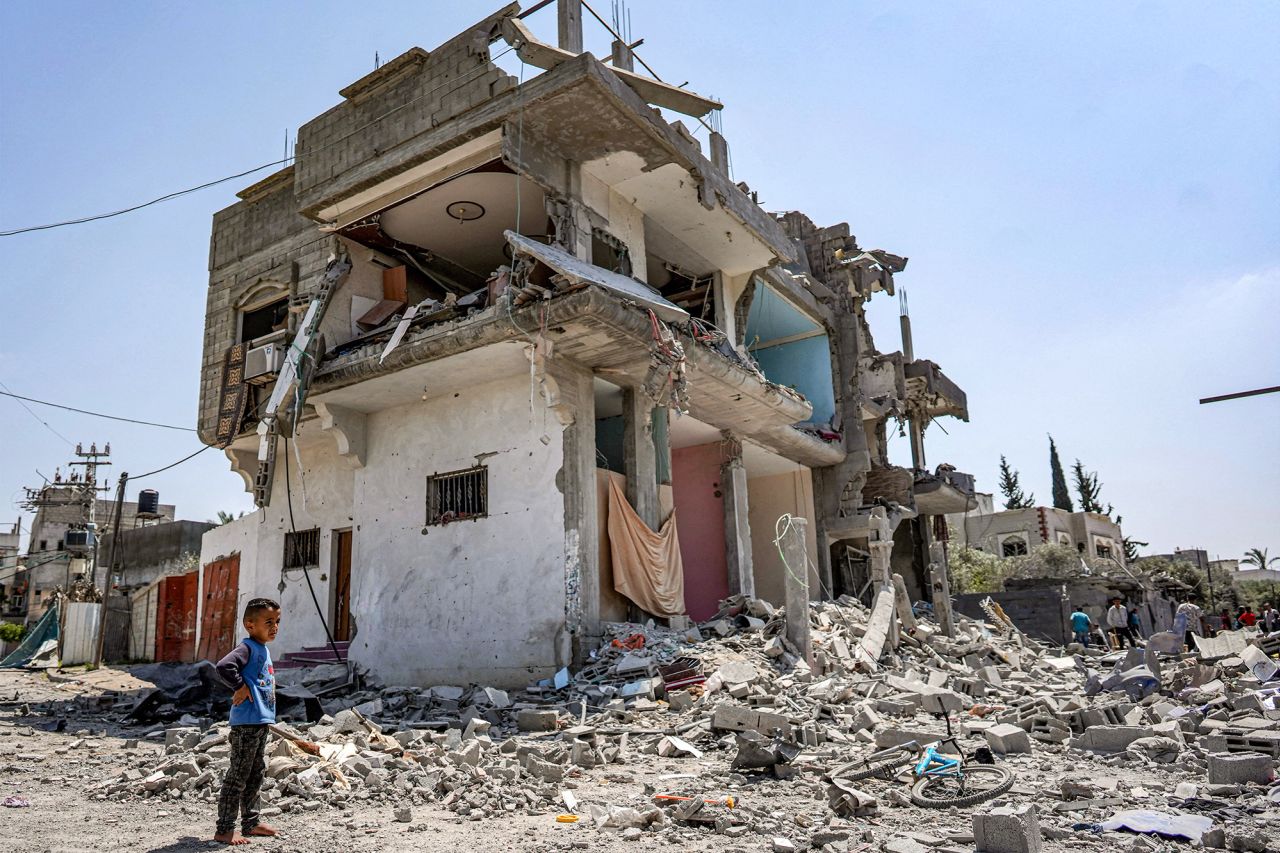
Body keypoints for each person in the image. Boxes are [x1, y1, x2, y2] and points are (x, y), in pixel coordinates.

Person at [213, 598, 281, 845]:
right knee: (239, 774)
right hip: (246, 724)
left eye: (277, 622)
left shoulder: (263, 648)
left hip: (260, 722)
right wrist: (240, 686)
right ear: (250, 625)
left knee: (255, 773)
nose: (274, 627)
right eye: (269, 622)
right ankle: (225, 828)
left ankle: (251, 823)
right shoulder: (248, 648)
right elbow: (223, 666)